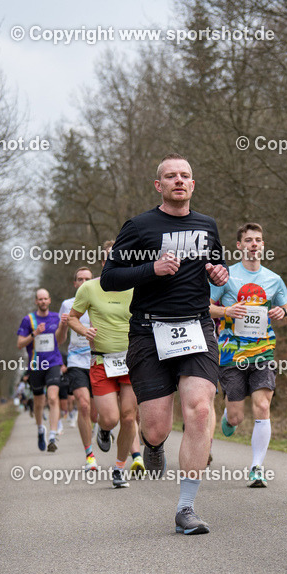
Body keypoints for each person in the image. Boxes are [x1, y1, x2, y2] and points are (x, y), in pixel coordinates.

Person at [101, 154, 228, 535]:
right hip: (148, 332)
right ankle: (152, 445)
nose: (178, 181)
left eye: (185, 176)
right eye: (170, 176)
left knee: (200, 411)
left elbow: (216, 267)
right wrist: (150, 270)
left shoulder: (207, 226)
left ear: (193, 184)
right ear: (159, 185)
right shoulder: (139, 227)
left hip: (196, 329)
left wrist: (219, 272)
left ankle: (186, 508)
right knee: (156, 428)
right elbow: (110, 278)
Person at [209, 223, 287, 487]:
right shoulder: (226, 277)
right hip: (232, 354)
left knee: (263, 406)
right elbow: (204, 307)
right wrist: (226, 312)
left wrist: (282, 314)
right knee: (236, 417)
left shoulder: (273, 279)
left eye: (258, 240)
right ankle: (227, 417)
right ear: (239, 246)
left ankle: (257, 468)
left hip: (263, 352)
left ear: (263, 245)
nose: (254, 244)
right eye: (248, 240)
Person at [68, 245, 144, 489]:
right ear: (103, 261)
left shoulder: (137, 288)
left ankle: (119, 468)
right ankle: (103, 430)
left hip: (131, 360)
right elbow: (72, 317)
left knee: (129, 416)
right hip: (101, 360)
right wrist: (84, 329)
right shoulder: (90, 288)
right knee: (110, 418)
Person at [56, 266, 104, 476]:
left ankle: (100, 429)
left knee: (95, 413)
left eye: (87, 278)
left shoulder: (99, 299)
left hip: (98, 359)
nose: (84, 282)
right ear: (74, 283)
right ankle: (89, 455)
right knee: (83, 406)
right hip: (76, 361)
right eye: (79, 279)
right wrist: (64, 325)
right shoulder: (67, 305)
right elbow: (59, 341)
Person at [17, 288, 64, 452]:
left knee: (52, 398)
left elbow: (61, 340)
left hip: (53, 363)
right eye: (40, 299)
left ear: (49, 300)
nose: (43, 301)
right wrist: (34, 334)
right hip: (35, 365)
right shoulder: (28, 320)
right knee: (38, 403)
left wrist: (63, 327)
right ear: (36, 301)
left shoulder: (56, 317)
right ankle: (40, 429)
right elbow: (20, 344)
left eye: (45, 298)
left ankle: (52, 435)